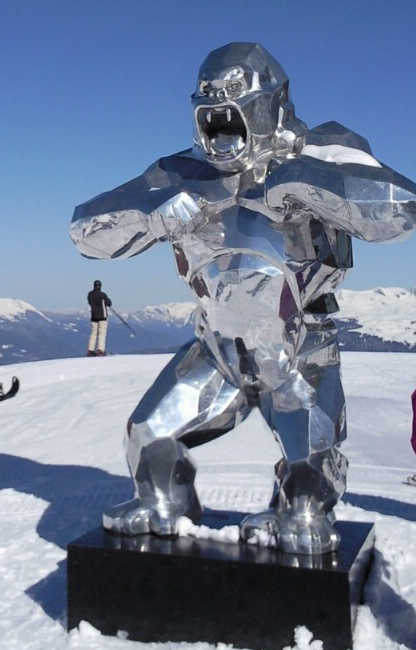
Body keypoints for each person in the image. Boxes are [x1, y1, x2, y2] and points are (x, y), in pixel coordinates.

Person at [71, 43, 416, 553]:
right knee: (147, 435)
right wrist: (150, 212)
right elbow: (84, 230)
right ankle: (165, 504)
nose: (221, 125)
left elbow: (401, 206)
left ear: (267, 102)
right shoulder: (179, 173)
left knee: (307, 480)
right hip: (216, 350)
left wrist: (304, 182)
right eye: (209, 108)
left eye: (232, 105)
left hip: (298, 348)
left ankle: (301, 512)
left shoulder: (322, 149)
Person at [87, 280, 112, 356]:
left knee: (93, 333)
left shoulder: (90, 294)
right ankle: (100, 350)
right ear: (100, 286)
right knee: (102, 333)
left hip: (94, 316)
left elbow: (90, 302)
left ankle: (90, 350)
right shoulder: (103, 295)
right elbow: (109, 303)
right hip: (102, 316)